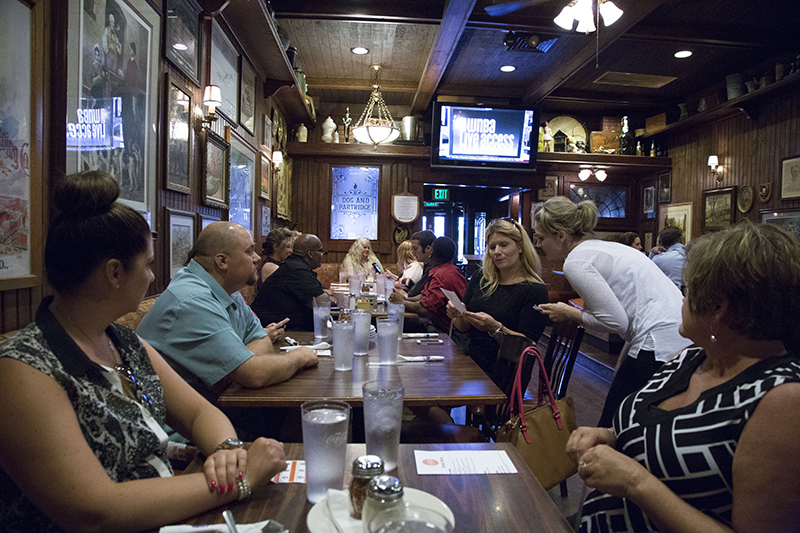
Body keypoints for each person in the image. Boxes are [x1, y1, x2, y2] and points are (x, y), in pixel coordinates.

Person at [0, 172, 288, 532]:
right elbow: (94, 511)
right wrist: (238, 479)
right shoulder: (23, 369)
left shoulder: (123, 341)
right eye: (149, 264)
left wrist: (228, 451)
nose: (153, 278)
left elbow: (199, 414)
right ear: (115, 273)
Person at [567, 222, 800, 532]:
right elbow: (665, 432)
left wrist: (635, 482)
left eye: (687, 290)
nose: (680, 299)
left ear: (718, 307)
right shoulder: (688, 358)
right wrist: (611, 435)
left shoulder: (783, 399)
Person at [137, 222, 317, 439]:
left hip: (220, 411)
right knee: (300, 425)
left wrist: (242, 363)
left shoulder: (227, 289)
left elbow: (261, 338)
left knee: (294, 421)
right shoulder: (193, 301)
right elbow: (254, 375)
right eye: (250, 251)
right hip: (176, 435)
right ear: (222, 261)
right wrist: (301, 356)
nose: (258, 257)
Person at [533, 197, 689, 427]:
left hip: (657, 345)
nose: (538, 244)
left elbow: (616, 322)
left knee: (611, 427)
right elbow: (636, 307)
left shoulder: (575, 261)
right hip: (676, 339)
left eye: (540, 237)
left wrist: (568, 312)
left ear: (561, 235)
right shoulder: (605, 248)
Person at [447, 218, 550, 383]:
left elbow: (527, 345)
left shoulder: (534, 290)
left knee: (432, 394)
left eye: (503, 245)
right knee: (423, 383)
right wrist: (457, 314)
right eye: (492, 246)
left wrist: (496, 328)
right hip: (471, 359)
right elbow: (463, 328)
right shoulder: (481, 278)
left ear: (520, 247)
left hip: (506, 370)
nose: (496, 251)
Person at [251, 233, 332, 331]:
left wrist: (325, 294)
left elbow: (321, 295)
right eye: (320, 251)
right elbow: (322, 303)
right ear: (310, 254)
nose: (322, 255)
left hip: (291, 329)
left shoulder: (297, 266)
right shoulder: (296, 269)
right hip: (279, 332)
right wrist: (326, 295)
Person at [390, 236, 466, 333]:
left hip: (447, 331)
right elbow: (425, 295)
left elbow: (425, 309)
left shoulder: (440, 276)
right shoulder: (452, 270)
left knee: (398, 324)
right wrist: (405, 299)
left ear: (431, 253)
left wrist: (402, 302)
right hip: (450, 327)